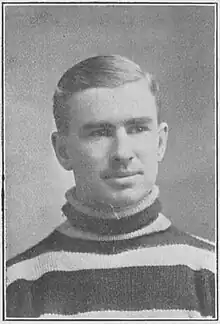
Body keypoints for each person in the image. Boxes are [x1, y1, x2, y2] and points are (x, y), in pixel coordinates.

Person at [6, 55, 215, 319]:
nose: (122, 153)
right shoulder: (19, 283)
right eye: (99, 133)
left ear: (160, 143)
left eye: (138, 128)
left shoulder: (208, 272)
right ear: (63, 150)